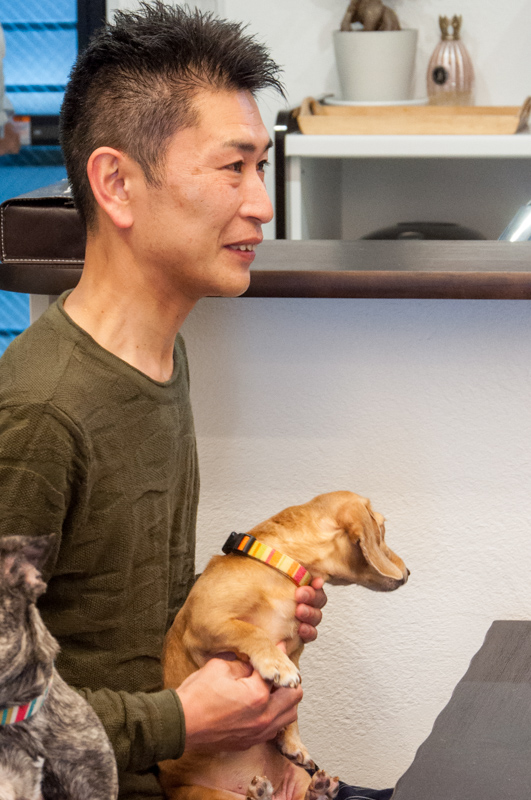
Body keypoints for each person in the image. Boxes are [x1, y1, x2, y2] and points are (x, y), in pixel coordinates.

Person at [0, 4, 391, 799]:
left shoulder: (157, 357)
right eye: (231, 168)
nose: (261, 204)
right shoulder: (42, 410)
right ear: (117, 183)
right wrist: (180, 720)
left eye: (260, 167)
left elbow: (121, 615)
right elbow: (7, 716)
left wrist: (246, 614)